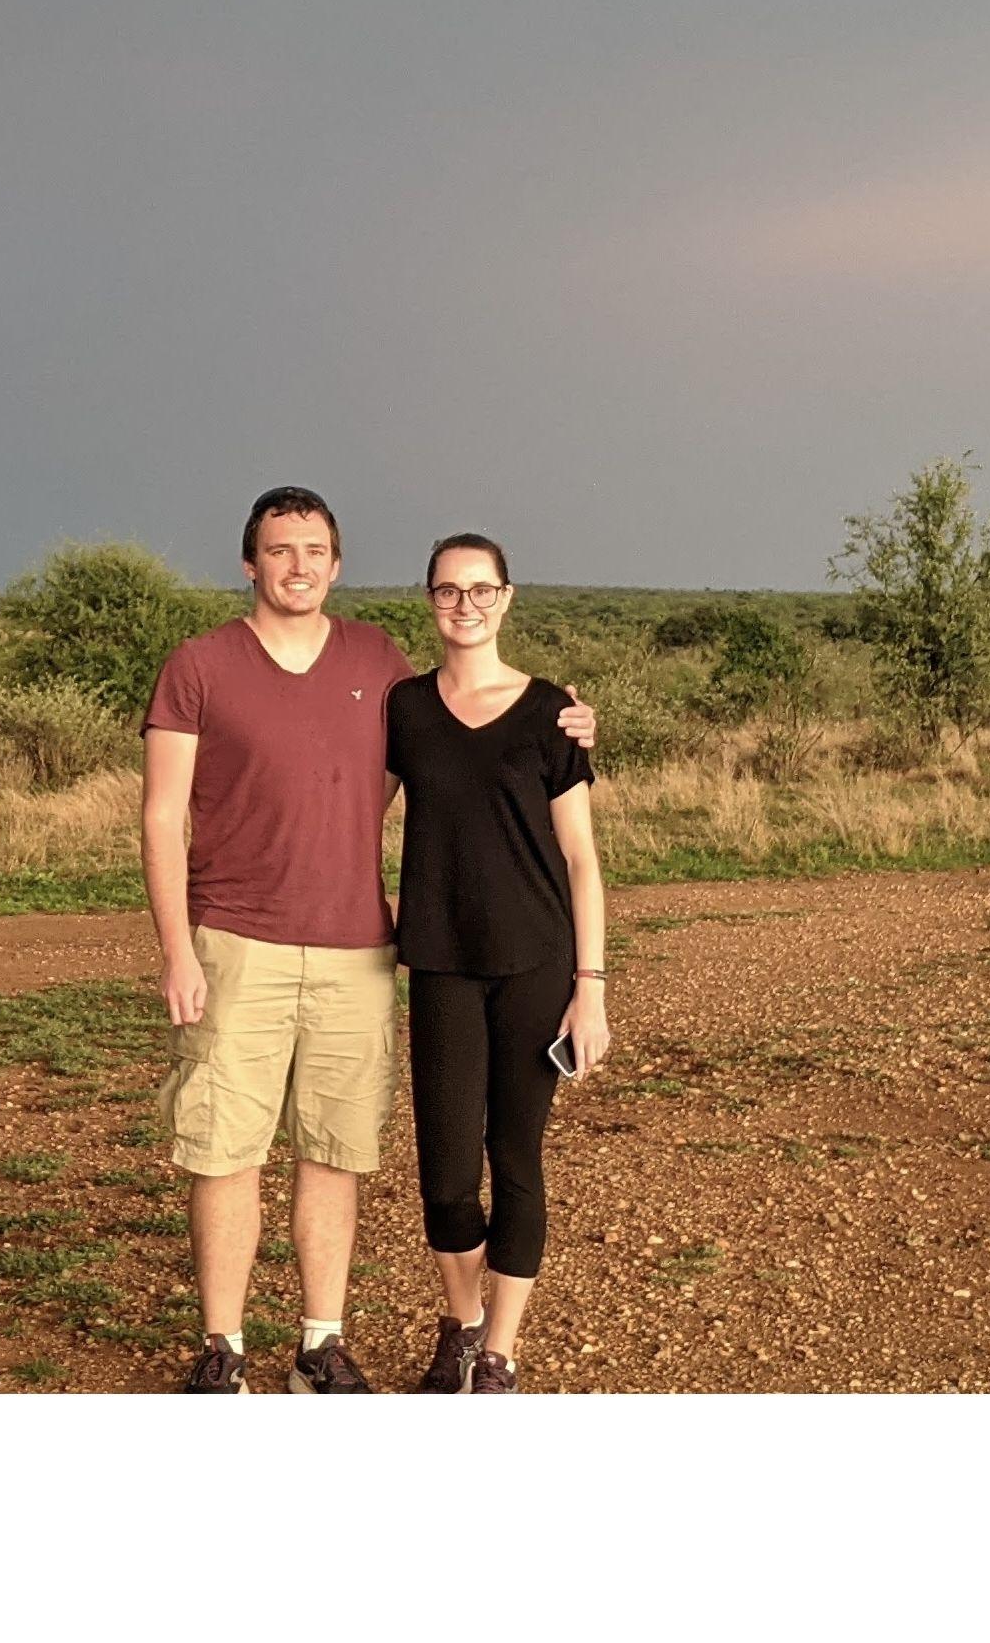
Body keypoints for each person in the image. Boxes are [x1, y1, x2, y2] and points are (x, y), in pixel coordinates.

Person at [140, 487, 595, 1393]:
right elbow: (162, 817)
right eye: (280, 550)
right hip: (242, 939)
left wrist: (569, 721)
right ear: (250, 563)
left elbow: (484, 752)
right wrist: (178, 949)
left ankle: (322, 1343)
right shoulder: (206, 666)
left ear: (337, 565)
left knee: (336, 1148)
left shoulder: (374, 660)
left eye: (315, 549)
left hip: (362, 948)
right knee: (229, 1148)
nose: (298, 565)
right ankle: (221, 1350)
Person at [383, 531, 609, 1394]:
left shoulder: (553, 714)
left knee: (515, 1158)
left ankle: (498, 1355)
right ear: (430, 599)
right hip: (441, 964)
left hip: (537, 965)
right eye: (449, 591)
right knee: (444, 1171)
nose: (465, 606)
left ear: (507, 598)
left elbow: (582, 861)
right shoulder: (404, 709)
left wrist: (590, 991)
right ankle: (462, 1320)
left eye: (482, 590)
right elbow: (355, 812)